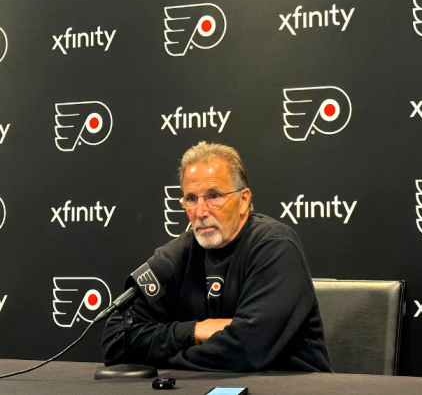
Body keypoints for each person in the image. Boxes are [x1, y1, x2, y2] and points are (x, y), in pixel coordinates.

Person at [101, 142, 332, 372]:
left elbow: (244, 351)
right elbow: (115, 341)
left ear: (243, 200)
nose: (201, 211)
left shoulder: (275, 247)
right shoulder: (173, 258)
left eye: (214, 195)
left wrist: (165, 360)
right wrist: (195, 331)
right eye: (191, 198)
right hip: (205, 385)